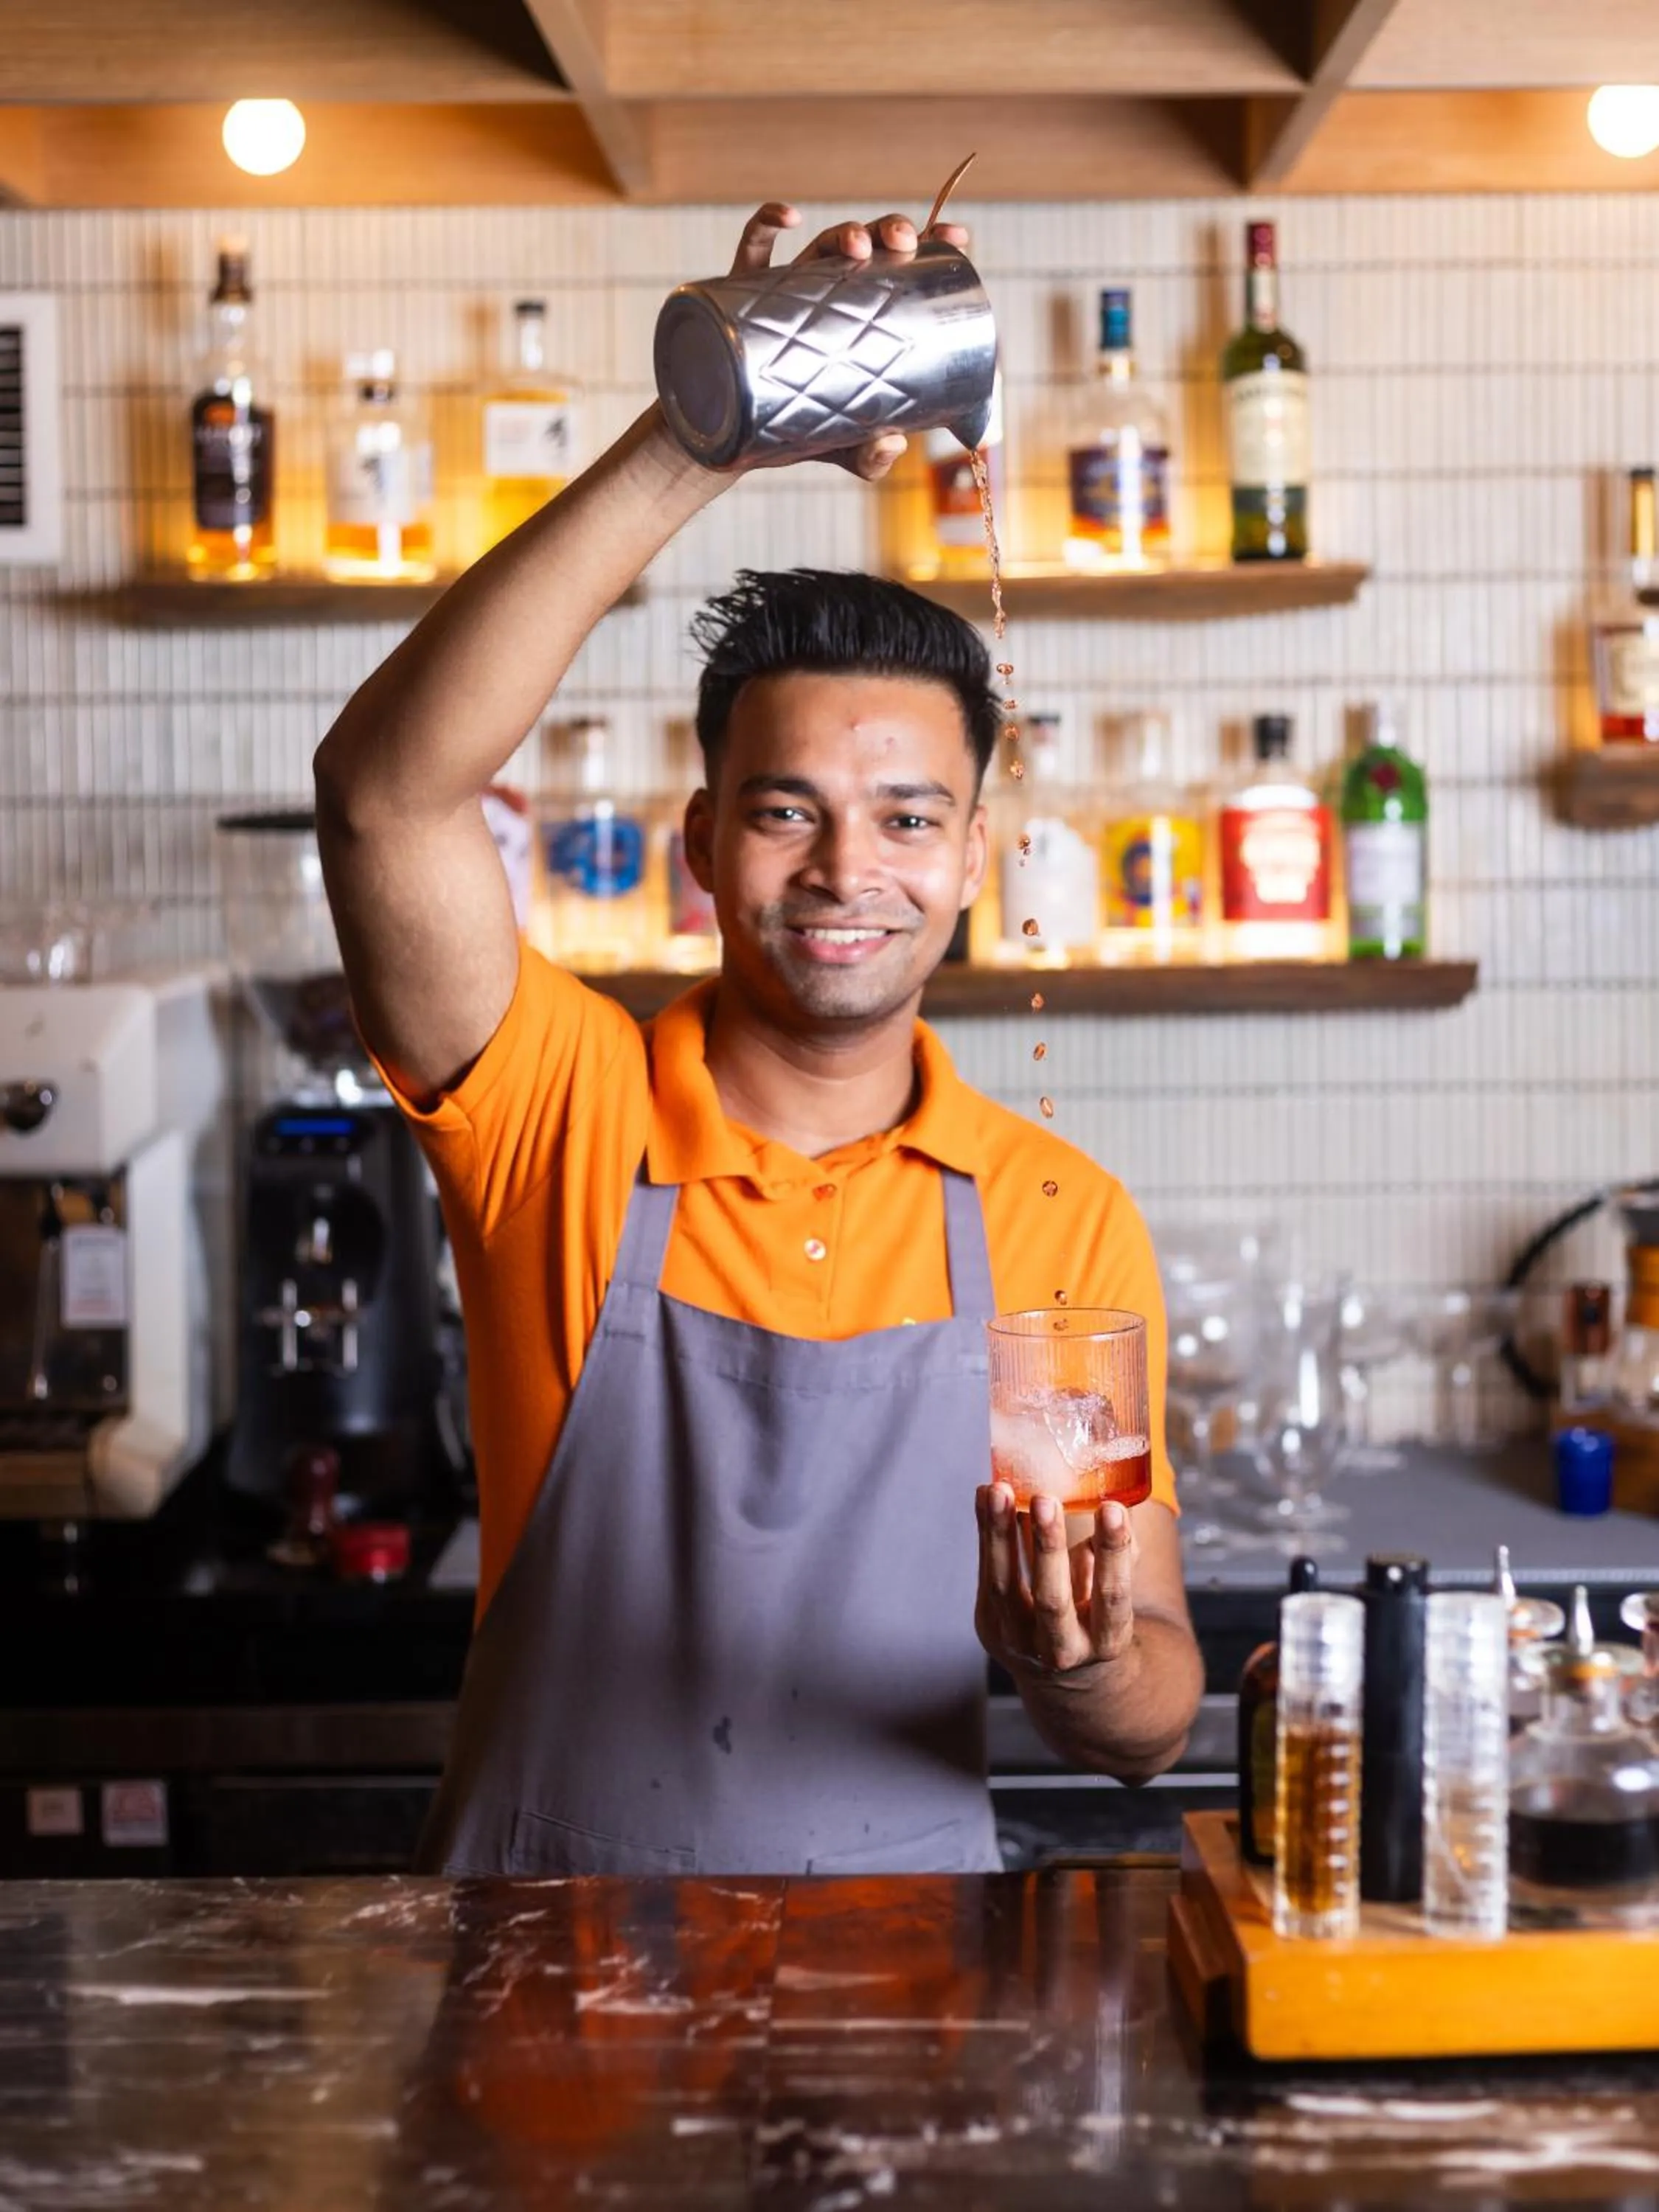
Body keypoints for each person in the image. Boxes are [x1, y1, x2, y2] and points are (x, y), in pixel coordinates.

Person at [315, 201, 1203, 1877]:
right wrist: (702, 429)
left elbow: (1151, 1708)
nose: (850, 869)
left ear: (972, 864)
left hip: (907, 2049)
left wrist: (1080, 1665)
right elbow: (379, 799)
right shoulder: (551, 1110)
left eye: (909, 817)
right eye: (787, 812)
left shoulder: (1055, 1220)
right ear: (702, 843)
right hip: (548, 2052)